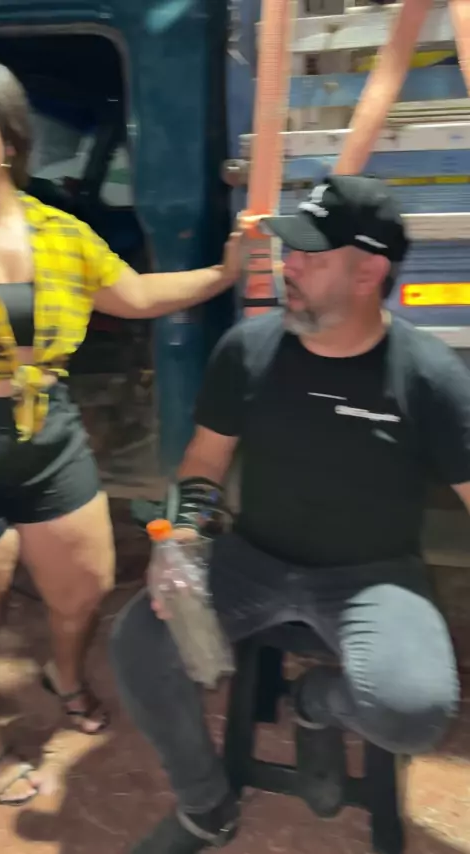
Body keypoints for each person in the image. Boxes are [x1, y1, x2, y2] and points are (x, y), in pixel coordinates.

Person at [111, 174, 463, 854]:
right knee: (139, 643)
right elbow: (205, 458)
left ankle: (315, 704)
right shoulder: (248, 349)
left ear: (369, 273)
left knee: (415, 712)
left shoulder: (429, 376)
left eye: (310, 255)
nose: (287, 267)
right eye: (288, 250)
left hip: (373, 575)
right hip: (253, 559)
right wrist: (182, 538)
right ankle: (205, 805)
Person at [0, 59, 242, 806]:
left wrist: (224, 275)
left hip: (46, 431)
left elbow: (131, 294)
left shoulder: (57, 231)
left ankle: (63, 674)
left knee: (85, 586)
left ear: (8, 140)